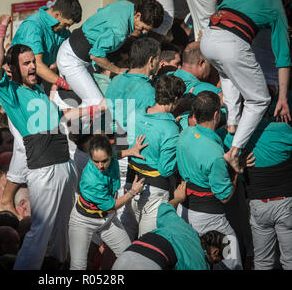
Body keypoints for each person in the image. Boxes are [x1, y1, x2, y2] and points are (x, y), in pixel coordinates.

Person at [0, 14, 105, 269]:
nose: (33, 67)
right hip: (44, 169)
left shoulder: (40, 92)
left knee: (65, 226)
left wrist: (95, 109)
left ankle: (58, 267)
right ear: (16, 67)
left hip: (64, 165)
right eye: (27, 64)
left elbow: (63, 117)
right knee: (41, 231)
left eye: (34, 62)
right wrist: (2, 29)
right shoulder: (10, 91)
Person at [200, 0, 292, 173]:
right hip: (232, 43)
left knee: (227, 74)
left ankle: (232, 125)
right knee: (259, 101)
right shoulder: (277, 6)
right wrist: (282, 97)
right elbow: (283, 58)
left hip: (207, 38)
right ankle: (234, 152)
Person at [176, 91, 243, 270]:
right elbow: (225, 196)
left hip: (183, 211)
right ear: (216, 115)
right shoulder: (215, 156)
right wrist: (235, 171)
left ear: (195, 115)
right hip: (209, 217)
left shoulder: (185, 134)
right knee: (232, 258)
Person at [57, 0, 164, 107]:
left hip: (74, 50)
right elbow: (96, 55)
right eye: (143, 28)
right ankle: (67, 121)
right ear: (137, 15)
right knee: (97, 104)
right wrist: (117, 70)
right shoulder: (119, 31)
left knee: (83, 96)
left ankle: (65, 111)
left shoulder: (126, 5)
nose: (144, 33)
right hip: (71, 60)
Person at [220, 116, 292, 269]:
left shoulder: (237, 136)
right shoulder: (283, 129)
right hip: (285, 204)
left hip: (259, 205)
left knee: (262, 261)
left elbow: (226, 149)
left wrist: (240, 162)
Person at [68, 134, 146, 270]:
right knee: (78, 266)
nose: (100, 166)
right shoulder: (91, 179)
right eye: (95, 161)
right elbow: (111, 207)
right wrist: (133, 192)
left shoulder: (112, 156)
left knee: (128, 256)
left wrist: (131, 151)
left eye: (104, 161)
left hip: (106, 221)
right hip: (83, 221)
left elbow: (117, 154)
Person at [122, 75, 185, 240]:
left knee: (122, 242)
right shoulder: (171, 129)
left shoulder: (134, 114)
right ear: (176, 99)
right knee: (147, 245)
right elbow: (166, 169)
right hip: (154, 192)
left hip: (130, 184)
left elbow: (128, 146)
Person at [113, 182, 228, 270]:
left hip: (125, 257)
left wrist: (177, 198)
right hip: (151, 264)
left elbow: (164, 208)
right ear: (215, 252)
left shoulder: (183, 227)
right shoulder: (199, 264)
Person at [11, 0, 82, 90]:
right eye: (66, 24)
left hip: (36, 79)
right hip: (18, 82)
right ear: (57, 15)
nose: (67, 29)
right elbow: (37, 65)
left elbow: (75, 52)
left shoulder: (62, 29)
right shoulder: (33, 26)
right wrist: (66, 85)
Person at [105, 37, 161, 147]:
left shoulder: (116, 79)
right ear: (151, 60)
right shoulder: (148, 91)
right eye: (159, 58)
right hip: (129, 145)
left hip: (110, 140)